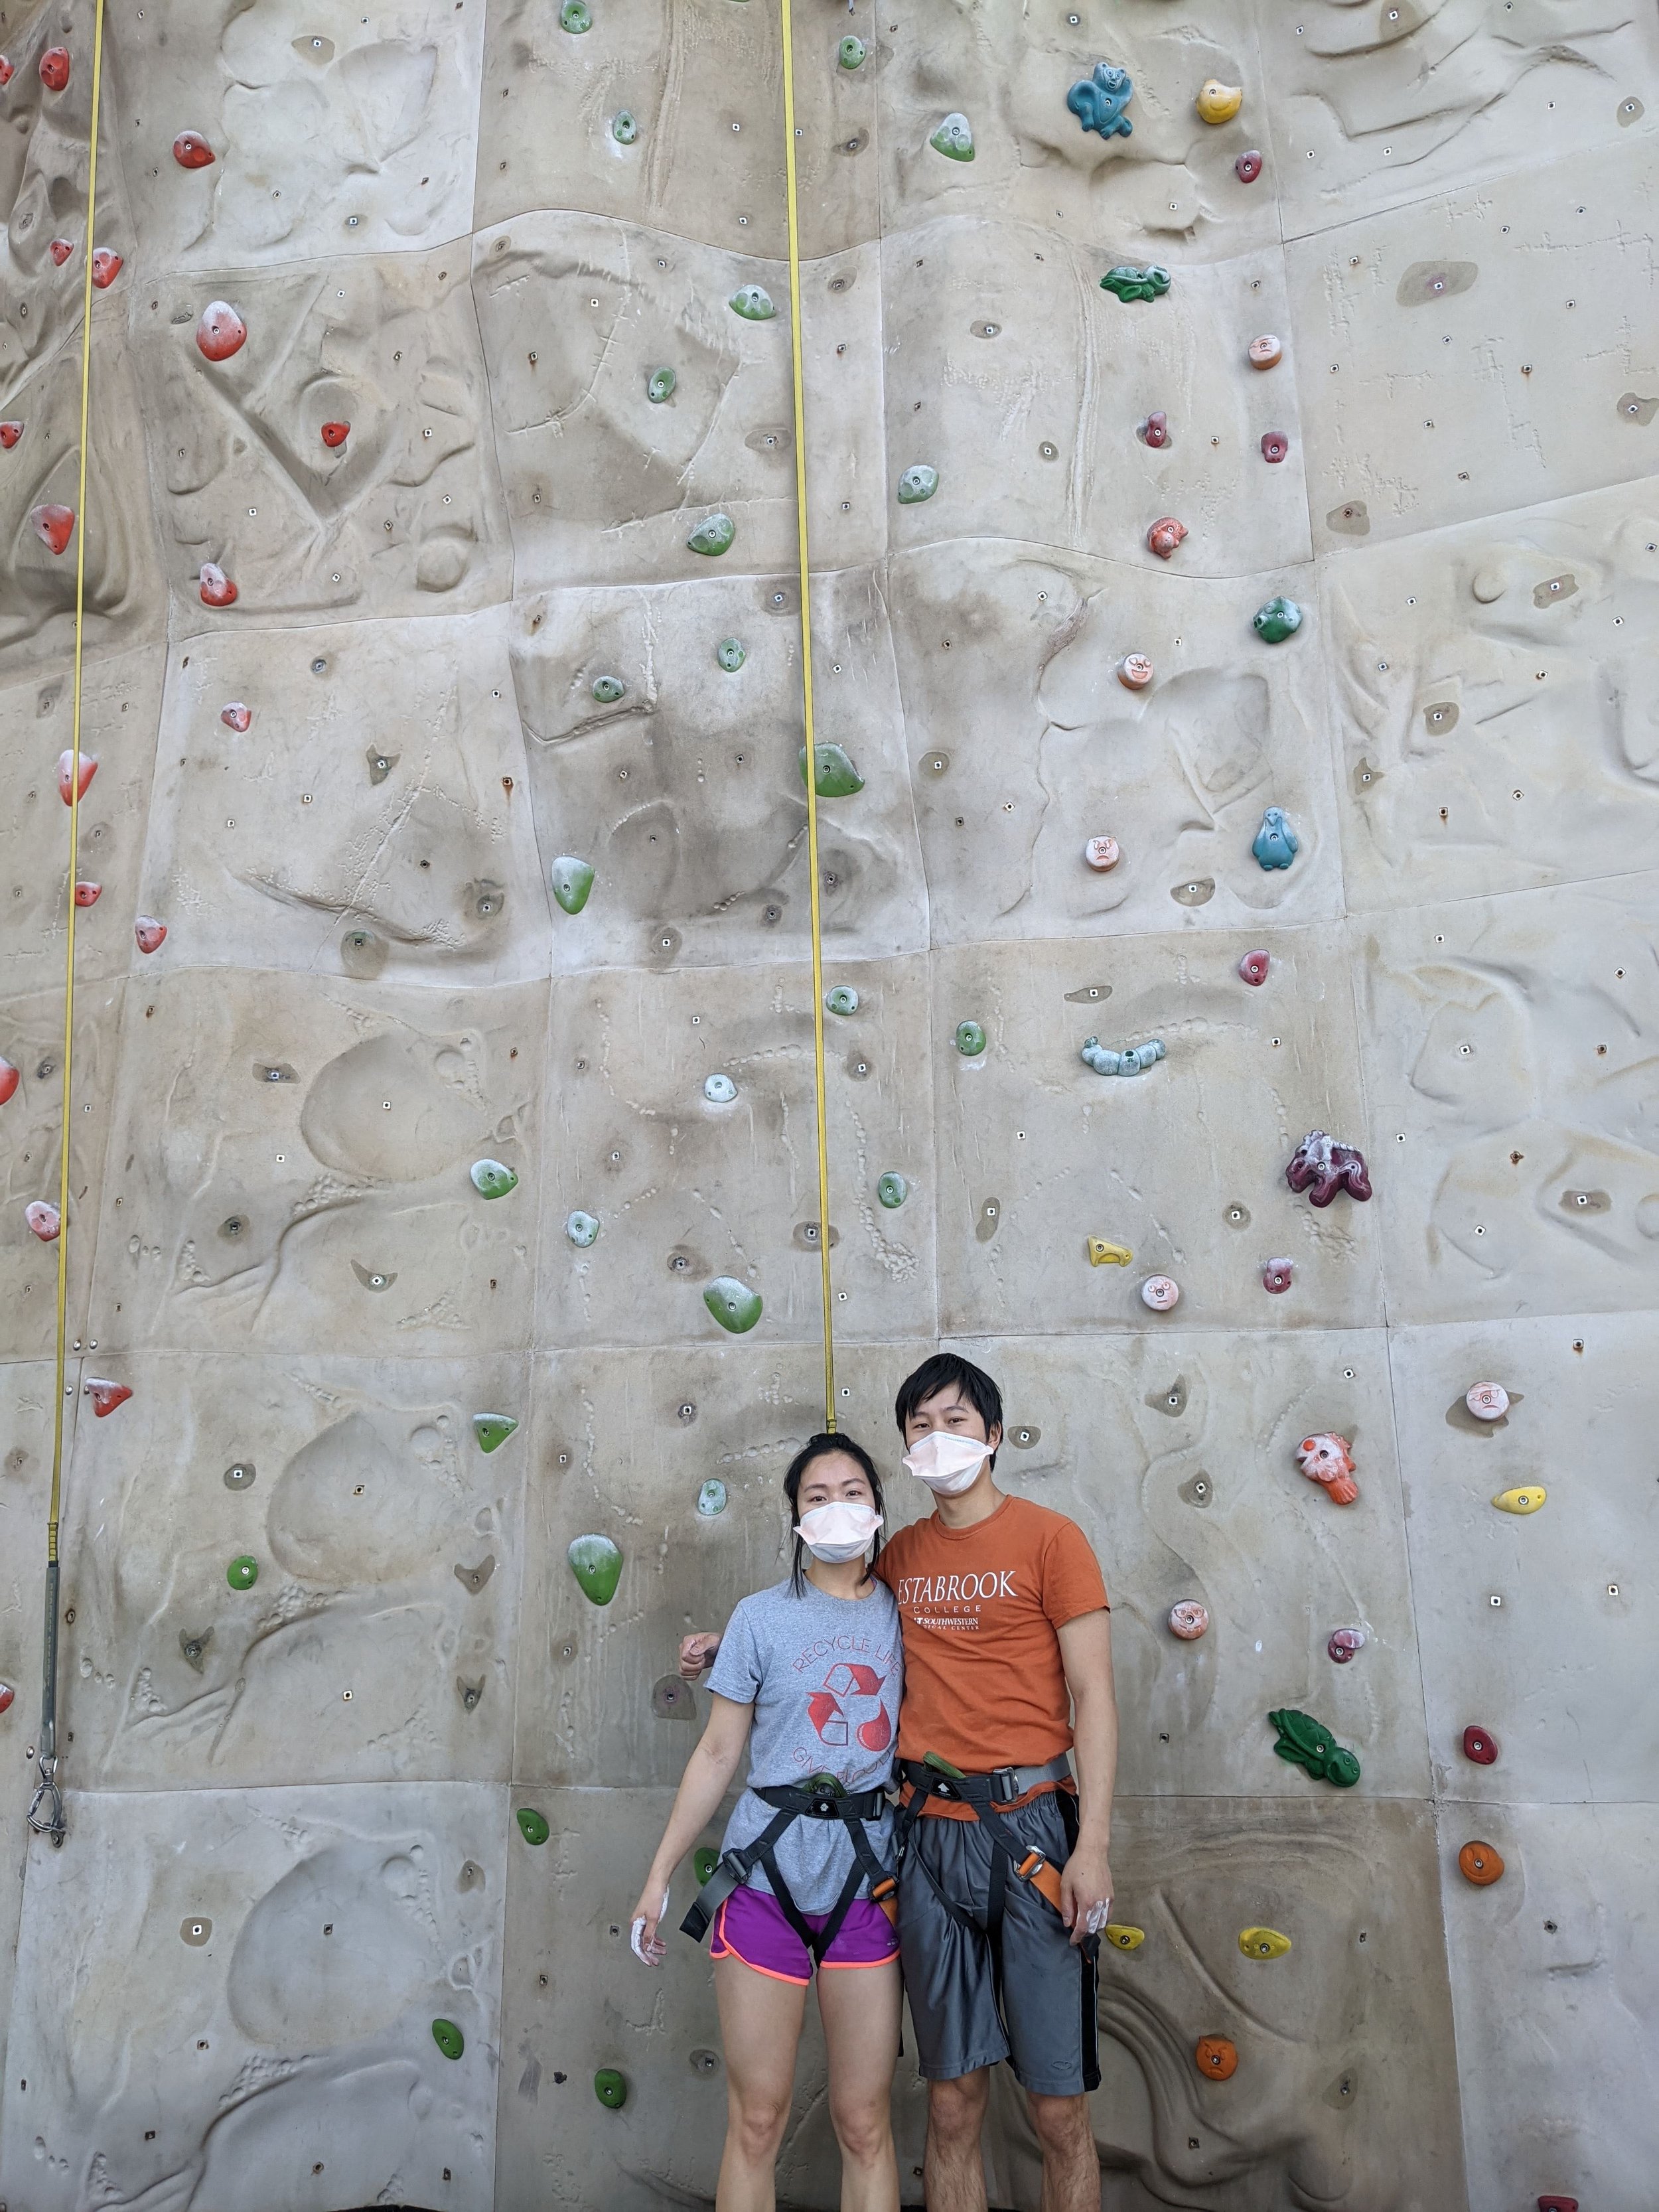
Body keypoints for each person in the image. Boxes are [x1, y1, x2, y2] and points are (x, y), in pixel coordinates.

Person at [682, 1355, 1117, 2212]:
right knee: (951, 2102)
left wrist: (1093, 1844)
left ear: (993, 1434)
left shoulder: (1052, 1538)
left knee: (1059, 2108)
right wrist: (720, 1652)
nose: (937, 1437)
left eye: (955, 1420)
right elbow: (820, 1625)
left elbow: (1095, 1694)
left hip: (1034, 1828)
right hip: (922, 1840)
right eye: (919, 1425)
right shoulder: (901, 1556)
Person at [632, 1432, 904, 2212]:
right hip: (762, 1879)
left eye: (852, 1492)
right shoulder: (756, 1618)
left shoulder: (905, 1613)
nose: (835, 1509)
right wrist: (657, 1879)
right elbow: (718, 1753)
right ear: (794, 1517)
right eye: (815, 1497)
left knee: (862, 2121)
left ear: (879, 1507)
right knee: (756, 2120)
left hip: (865, 1881)